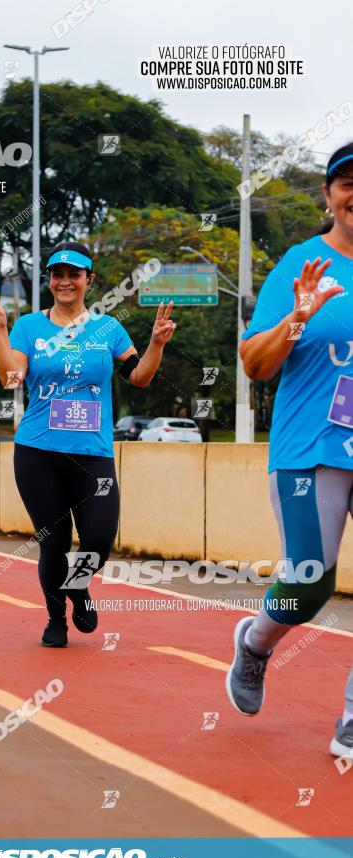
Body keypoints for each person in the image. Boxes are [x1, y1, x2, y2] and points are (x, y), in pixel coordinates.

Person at [0, 241, 176, 647]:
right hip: (38, 452)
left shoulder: (109, 329)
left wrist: (155, 344)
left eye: (74, 274)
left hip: (94, 455)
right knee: (54, 541)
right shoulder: (30, 327)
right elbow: (11, 379)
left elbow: (138, 378)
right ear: (49, 280)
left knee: (100, 540)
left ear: (89, 280)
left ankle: (78, 587)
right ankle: (55, 619)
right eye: (57, 274)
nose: (65, 281)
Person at [226, 142, 353, 758]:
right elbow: (255, 365)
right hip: (312, 448)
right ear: (329, 196)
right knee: (308, 586)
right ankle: (255, 645)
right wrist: (298, 317)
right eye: (348, 182)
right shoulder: (301, 265)